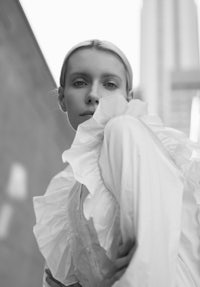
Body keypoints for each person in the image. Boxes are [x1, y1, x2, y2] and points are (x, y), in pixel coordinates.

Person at [33, 39, 200, 287]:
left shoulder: (125, 133)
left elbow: (152, 258)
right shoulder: (68, 188)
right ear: (61, 98)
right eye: (80, 82)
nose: (93, 95)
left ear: (128, 97)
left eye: (109, 84)